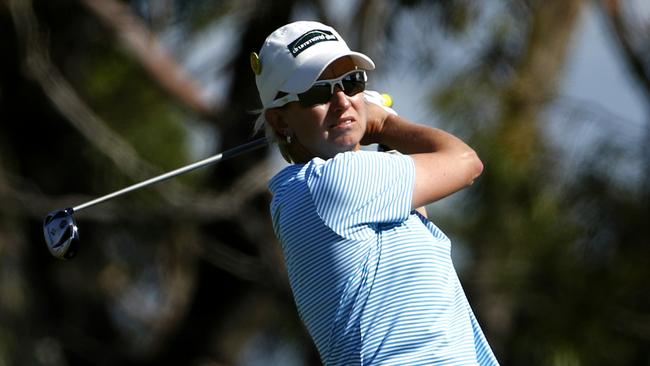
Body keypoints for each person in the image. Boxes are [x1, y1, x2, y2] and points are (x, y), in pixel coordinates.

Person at [251, 20, 499, 365]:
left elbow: (415, 213)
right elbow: (465, 162)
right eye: (317, 92)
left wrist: (376, 132)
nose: (342, 101)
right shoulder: (335, 183)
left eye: (350, 83)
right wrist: (383, 124)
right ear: (279, 121)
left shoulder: (300, 193)